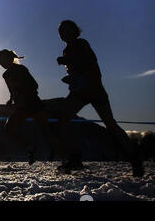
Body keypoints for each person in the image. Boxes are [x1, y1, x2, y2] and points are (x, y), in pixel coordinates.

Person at [56, 20, 143, 177]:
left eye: (65, 30)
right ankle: (75, 157)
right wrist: (70, 78)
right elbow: (79, 72)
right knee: (65, 119)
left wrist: (69, 62)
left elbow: (89, 63)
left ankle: (134, 157)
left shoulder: (81, 44)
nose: (62, 33)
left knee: (108, 124)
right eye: (60, 31)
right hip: (84, 90)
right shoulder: (67, 49)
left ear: (75, 31)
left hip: (92, 89)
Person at [0, 49, 64, 165]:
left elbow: (34, 85)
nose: (0, 63)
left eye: (1, 60)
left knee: (45, 130)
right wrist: (11, 99)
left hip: (32, 103)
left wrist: (23, 93)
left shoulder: (21, 69)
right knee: (9, 128)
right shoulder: (6, 74)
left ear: (9, 58)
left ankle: (63, 156)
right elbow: (12, 90)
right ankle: (31, 147)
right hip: (22, 106)